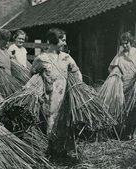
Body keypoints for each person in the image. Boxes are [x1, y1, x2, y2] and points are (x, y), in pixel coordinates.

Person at [30, 28, 82, 158]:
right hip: (49, 97)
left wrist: (77, 89)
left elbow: (77, 73)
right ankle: (49, 152)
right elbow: (32, 74)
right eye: (62, 40)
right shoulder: (42, 58)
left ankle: (62, 150)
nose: (65, 43)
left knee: (64, 122)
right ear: (54, 40)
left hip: (64, 95)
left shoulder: (66, 57)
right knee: (49, 122)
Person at [108, 32, 136, 139]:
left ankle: (135, 132)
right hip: (124, 85)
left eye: (126, 43)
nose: (125, 46)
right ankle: (128, 132)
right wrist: (116, 75)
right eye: (122, 44)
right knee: (127, 109)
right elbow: (110, 68)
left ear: (131, 42)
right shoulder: (119, 55)